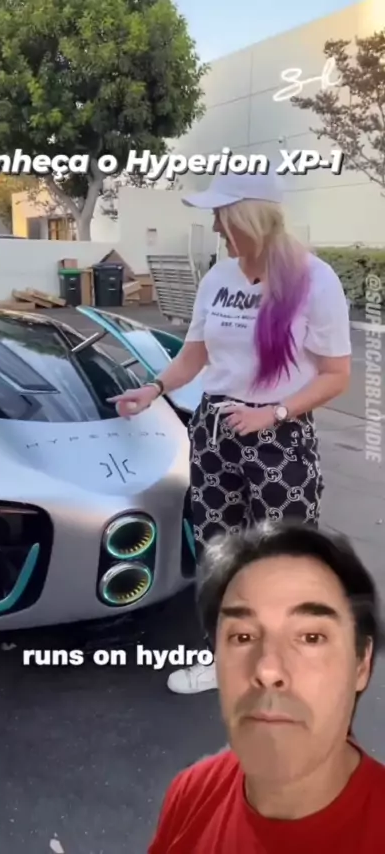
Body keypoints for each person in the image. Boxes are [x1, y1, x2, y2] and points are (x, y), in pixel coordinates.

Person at [108, 169, 351, 694]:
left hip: (280, 438)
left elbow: (336, 374)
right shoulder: (218, 278)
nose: (217, 228)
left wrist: (274, 413)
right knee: (219, 551)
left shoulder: (315, 280)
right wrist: (153, 388)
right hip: (215, 432)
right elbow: (194, 354)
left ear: (251, 218)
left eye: (222, 216)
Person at [148, 522, 385, 853]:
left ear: (361, 663)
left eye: (310, 637)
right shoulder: (190, 794)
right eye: (242, 636)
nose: (267, 669)